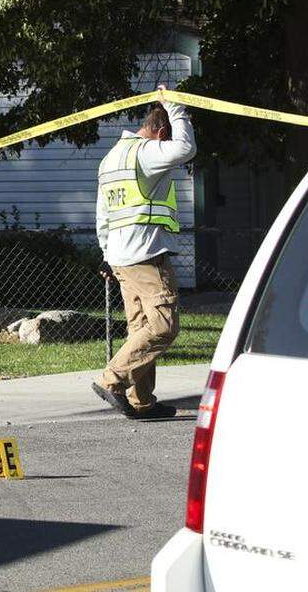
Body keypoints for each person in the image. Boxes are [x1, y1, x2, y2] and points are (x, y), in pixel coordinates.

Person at [92, 84, 196, 420]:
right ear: (161, 131)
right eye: (167, 133)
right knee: (164, 327)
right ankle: (112, 379)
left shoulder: (111, 159)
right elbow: (185, 147)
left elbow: (103, 214)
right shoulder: (148, 152)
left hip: (121, 258)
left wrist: (106, 253)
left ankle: (142, 402)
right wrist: (176, 106)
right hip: (145, 256)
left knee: (140, 329)